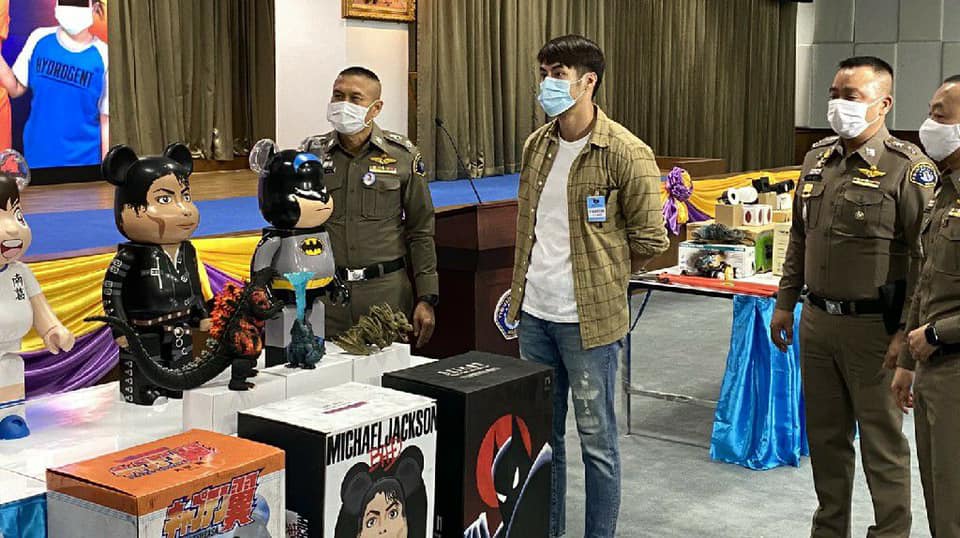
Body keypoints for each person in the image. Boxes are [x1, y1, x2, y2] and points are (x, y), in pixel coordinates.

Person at [505, 35, 669, 538]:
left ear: (588, 81)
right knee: (542, 439)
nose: (546, 84)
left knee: (597, 444)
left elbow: (651, 239)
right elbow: (532, 228)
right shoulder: (537, 145)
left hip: (589, 325)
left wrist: (605, 279)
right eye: (543, 74)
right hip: (535, 316)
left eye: (558, 74)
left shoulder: (625, 152)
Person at [770, 56, 936, 537]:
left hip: (875, 331)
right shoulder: (817, 159)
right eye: (834, 94)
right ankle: (829, 530)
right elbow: (799, 237)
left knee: (882, 446)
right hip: (817, 321)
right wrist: (785, 301)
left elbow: (925, 260)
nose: (838, 104)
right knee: (826, 439)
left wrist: (905, 334)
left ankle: (890, 532)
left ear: (883, 105)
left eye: (852, 96)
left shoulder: (909, 169)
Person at [301, 66, 437, 348]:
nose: (343, 105)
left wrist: (426, 297)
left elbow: (421, 230)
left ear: (376, 108)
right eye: (338, 96)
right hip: (327, 295)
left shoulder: (402, 156)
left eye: (355, 98)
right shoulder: (311, 155)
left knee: (388, 373)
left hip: (385, 296)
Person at [891, 74, 960, 538]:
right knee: (940, 495)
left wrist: (937, 334)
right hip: (933, 366)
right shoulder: (945, 190)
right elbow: (927, 279)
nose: (928, 125)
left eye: (940, 115)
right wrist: (907, 360)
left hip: (952, 358)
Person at [101, 143, 211, 405]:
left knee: (180, 364)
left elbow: (194, 285)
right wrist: (120, 328)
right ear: (128, 208)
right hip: (143, 329)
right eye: (164, 200)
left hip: (181, 324)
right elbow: (111, 292)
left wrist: (201, 314)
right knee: (146, 364)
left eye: (186, 196)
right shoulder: (129, 256)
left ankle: (177, 385)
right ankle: (145, 391)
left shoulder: (188, 250)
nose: (184, 209)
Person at [0, 150, 73, 440]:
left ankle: (10, 415)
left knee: (10, 371)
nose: (12, 228)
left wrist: (52, 329)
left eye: (17, 215)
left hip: (8, 352)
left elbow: (39, 307)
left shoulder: (19, 272)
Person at [0, 0, 108, 168]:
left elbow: (106, 121)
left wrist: (106, 171)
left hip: (84, 165)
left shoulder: (104, 55)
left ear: (94, 7)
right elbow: (15, 89)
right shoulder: (39, 38)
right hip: (37, 162)